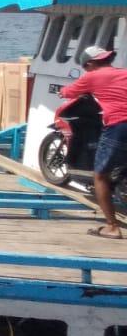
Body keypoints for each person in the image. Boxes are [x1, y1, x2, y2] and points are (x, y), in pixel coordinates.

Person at [60, 46, 127, 238]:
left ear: (89, 64)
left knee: (101, 176)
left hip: (118, 125)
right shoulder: (124, 73)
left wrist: (62, 92)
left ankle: (112, 227)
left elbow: (68, 92)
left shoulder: (92, 77)